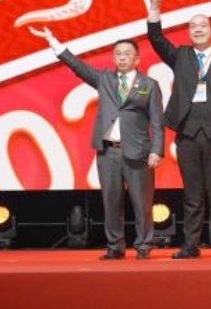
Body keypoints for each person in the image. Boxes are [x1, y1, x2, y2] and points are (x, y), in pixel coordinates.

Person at [29, 27, 163, 260]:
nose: (122, 57)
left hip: (138, 152)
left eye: (127, 54)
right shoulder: (105, 79)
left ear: (137, 59)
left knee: (142, 202)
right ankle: (115, 246)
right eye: (118, 54)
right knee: (111, 201)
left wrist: (157, 150)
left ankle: (144, 244)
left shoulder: (149, 84)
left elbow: (158, 121)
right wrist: (55, 44)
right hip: (108, 152)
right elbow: (78, 67)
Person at [146, 0, 211, 260]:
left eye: (202, 26)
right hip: (187, 135)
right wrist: (155, 4)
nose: (197, 30)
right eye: (192, 26)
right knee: (191, 193)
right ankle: (191, 244)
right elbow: (155, 38)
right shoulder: (182, 56)